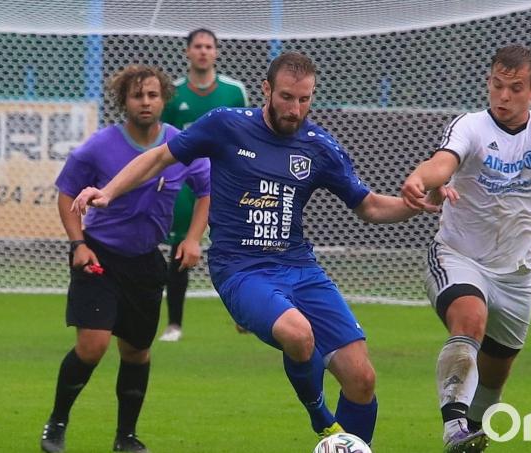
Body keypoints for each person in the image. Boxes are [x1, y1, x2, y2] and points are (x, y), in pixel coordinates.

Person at [72, 52, 451, 447]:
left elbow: (369, 206)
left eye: (305, 99)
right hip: (240, 270)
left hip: (300, 266)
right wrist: (109, 192)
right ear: (267, 90)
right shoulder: (226, 126)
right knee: (297, 333)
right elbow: (160, 157)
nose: (295, 109)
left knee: (362, 378)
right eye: (287, 97)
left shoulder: (319, 146)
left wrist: (414, 204)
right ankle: (322, 420)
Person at [401, 45, 531, 453]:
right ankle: (453, 430)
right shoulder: (470, 126)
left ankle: (471, 436)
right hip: (459, 255)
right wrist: (420, 178)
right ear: (488, 83)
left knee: (495, 375)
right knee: (470, 319)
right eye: (497, 85)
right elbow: (442, 163)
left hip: (516, 272)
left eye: (515, 88)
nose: (503, 96)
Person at [40, 65, 211, 453]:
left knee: (136, 351)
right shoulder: (99, 146)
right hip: (99, 256)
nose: (146, 102)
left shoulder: (181, 145)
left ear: (165, 98)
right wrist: (77, 244)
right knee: (93, 346)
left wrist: (193, 237)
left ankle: (125, 437)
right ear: (124, 101)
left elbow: (207, 190)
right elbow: (66, 194)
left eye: (152, 94)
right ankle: (56, 423)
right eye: (137, 95)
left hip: (145, 261)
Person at [159, 28, 249, 342]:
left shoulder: (233, 91)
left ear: (216, 52)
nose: (203, 51)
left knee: (236, 246)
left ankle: (245, 314)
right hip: (185, 184)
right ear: (187, 52)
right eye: (197, 46)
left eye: (208, 46)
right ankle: (174, 324)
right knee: (181, 247)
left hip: (226, 181)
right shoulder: (173, 92)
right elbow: (164, 137)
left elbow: (245, 134)